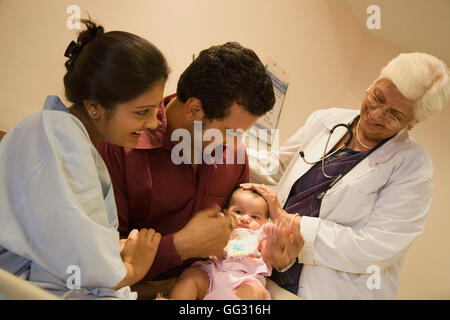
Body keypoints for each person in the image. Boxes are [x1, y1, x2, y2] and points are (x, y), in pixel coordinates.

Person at [244, 52, 450, 299]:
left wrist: (295, 226)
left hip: (325, 290)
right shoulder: (328, 119)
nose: (375, 114)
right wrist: (222, 150)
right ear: (374, 81)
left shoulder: (414, 166)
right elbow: (277, 165)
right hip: (266, 268)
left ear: (412, 123)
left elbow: (376, 246)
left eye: (394, 115)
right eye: (377, 97)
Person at [0, 19, 169, 299]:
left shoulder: (71, 138)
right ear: (94, 107)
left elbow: (74, 242)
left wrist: (114, 255)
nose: (153, 123)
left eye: (156, 109)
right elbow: (89, 268)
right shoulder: (58, 137)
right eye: (142, 112)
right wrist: (134, 268)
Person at [97, 42, 275, 286]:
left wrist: (274, 249)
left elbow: (240, 238)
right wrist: (179, 246)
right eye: (229, 132)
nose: (233, 144)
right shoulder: (121, 145)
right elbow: (100, 260)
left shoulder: (235, 156)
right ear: (194, 109)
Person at [169, 188, 294, 300]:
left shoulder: (260, 235)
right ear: (226, 212)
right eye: (238, 212)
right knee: (190, 276)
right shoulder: (222, 227)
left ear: (265, 222)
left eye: (255, 217)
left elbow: (268, 252)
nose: (245, 218)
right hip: (212, 273)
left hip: (245, 280)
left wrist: (275, 244)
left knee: (255, 293)